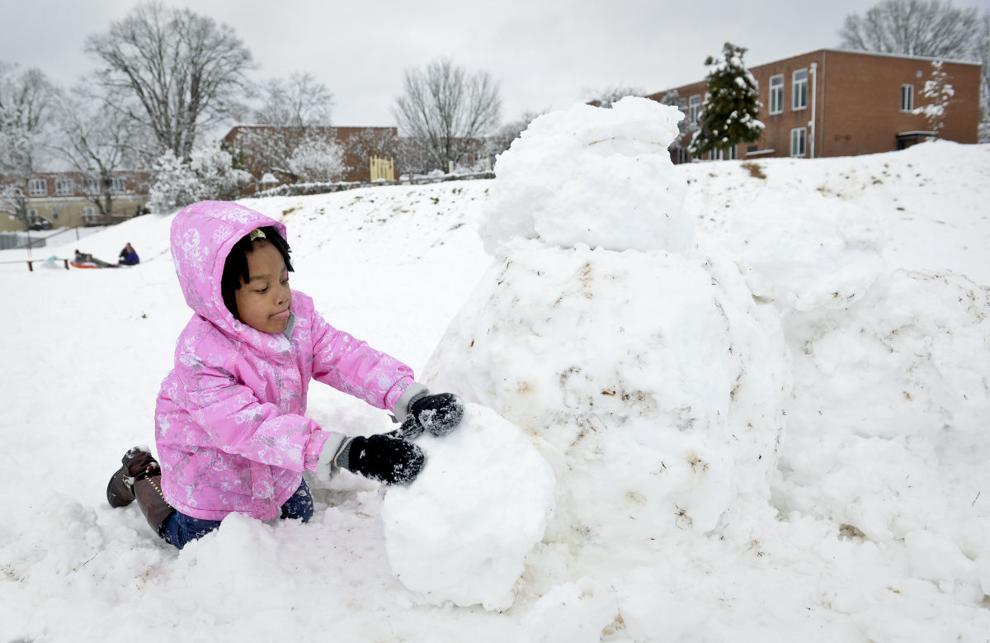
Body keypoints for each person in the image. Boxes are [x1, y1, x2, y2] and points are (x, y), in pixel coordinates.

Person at [105, 201, 464, 549]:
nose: (280, 297)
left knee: (301, 516)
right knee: (192, 537)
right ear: (218, 297)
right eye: (261, 288)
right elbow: (249, 427)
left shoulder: (298, 322)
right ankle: (140, 476)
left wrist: (409, 396)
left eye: (282, 279)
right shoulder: (200, 358)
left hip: (277, 472)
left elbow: (345, 358)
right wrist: (350, 453)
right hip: (212, 484)